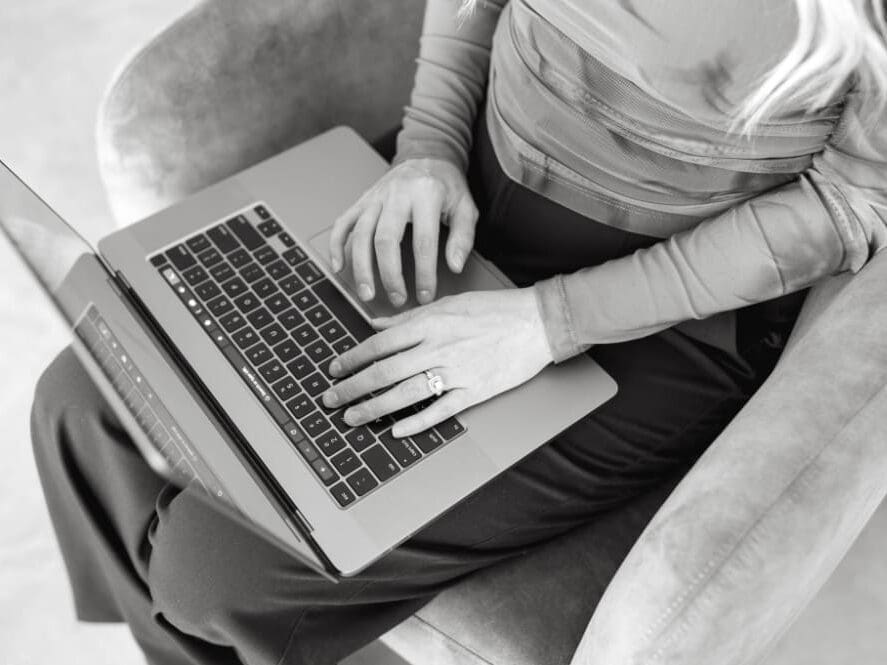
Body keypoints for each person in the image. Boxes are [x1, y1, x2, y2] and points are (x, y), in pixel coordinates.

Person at [31, 1, 887, 664]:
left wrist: (548, 324)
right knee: (79, 402)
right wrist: (426, 148)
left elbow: (842, 207)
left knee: (209, 571)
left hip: (664, 314)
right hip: (457, 188)